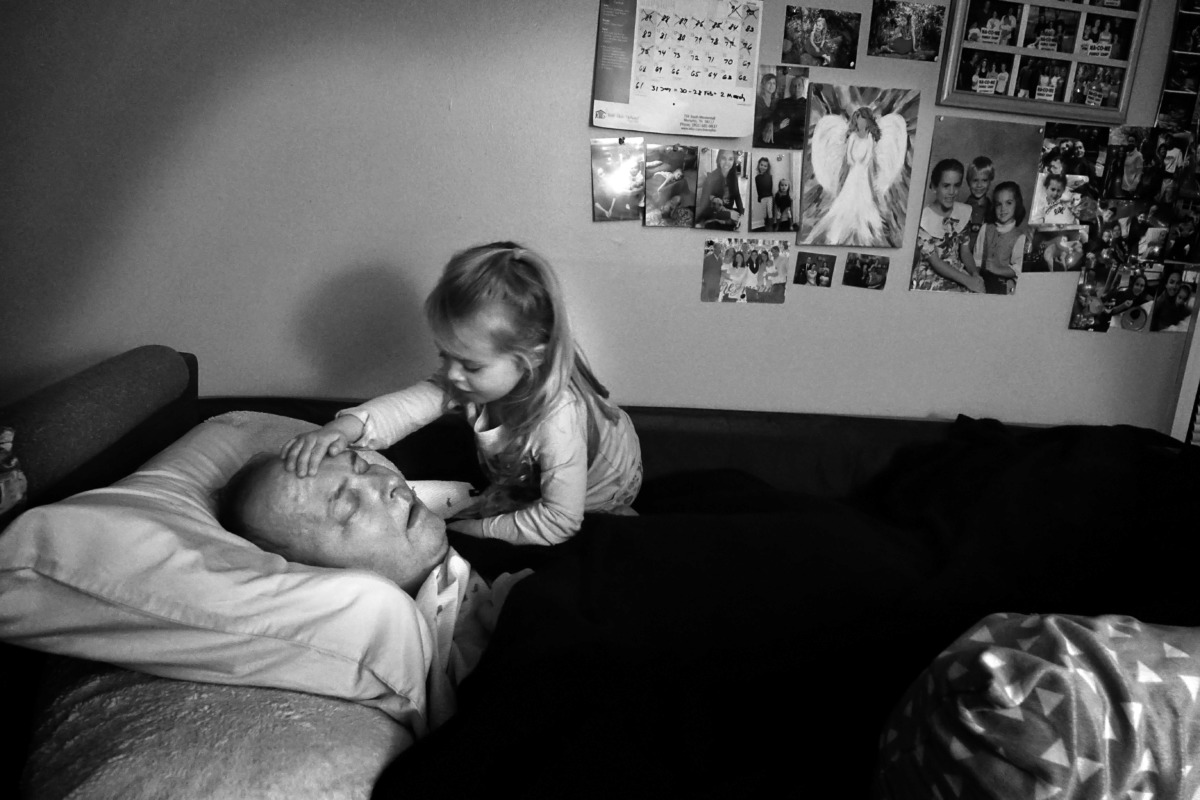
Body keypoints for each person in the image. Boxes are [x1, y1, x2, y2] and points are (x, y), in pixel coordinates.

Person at [282, 242, 643, 547]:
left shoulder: (557, 420)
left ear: (530, 360)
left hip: (603, 485)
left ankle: (616, 516)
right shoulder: (472, 380)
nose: (452, 375)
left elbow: (562, 520)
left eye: (470, 366)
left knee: (581, 536)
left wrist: (472, 531)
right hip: (532, 473)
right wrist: (341, 429)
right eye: (445, 356)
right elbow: (410, 407)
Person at [806, 105, 907, 246]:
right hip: (854, 172)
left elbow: (869, 156)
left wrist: (862, 165)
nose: (861, 122)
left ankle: (865, 230)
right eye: (858, 119)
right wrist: (855, 162)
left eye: (863, 119)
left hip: (864, 174)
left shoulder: (871, 138)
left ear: (868, 121)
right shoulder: (852, 136)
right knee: (846, 200)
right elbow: (849, 156)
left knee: (865, 201)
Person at [910, 158, 985, 293]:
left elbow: (965, 252)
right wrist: (968, 281)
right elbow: (936, 263)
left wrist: (975, 275)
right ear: (934, 186)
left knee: (979, 294)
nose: (952, 192)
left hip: (957, 270)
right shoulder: (923, 218)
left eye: (956, 185)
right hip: (931, 274)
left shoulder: (963, 212)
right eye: (946, 186)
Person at [973, 181, 1027, 295]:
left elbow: (1017, 269)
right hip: (983, 280)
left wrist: (997, 270)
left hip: (1003, 283)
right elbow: (977, 258)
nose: (1003, 209)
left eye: (1008, 203)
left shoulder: (1019, 237)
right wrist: (977, 276)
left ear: (1017, 204)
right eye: (999, 204)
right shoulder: (986, 228)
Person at [695, 149, 744, 230]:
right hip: (714, 216)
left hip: (729, 213)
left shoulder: (733, 176)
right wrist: (728, 214)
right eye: (723, 158)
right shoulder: (710, 178)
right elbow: (704, 209)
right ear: (718, 160)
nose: (727, 163)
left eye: (730, 159)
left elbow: (737, 196)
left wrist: (742, 215)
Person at [964, 156, 995, 252]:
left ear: (990, 182)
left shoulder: (993, 209)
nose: (979, 185)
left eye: (984, 180)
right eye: (975, 180)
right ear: (969, 182)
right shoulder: (962, 210)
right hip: (965, 257)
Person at [753, 73, 779, 148]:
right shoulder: (758, 100)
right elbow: (758, 122)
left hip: (773, 136)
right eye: (769, 83)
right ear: (763, 85)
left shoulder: (776, 101)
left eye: (774, 83)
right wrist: (770, 122)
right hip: (758, 137)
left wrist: (771, 123)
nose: (772, 85)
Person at [751, 157, 774, 232]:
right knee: (764, 213)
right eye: (762, 165)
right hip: (762, 198)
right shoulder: (757, 177)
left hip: (769, 197)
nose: (763, 167)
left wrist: (771, 196)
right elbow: (758, 188)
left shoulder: (770, 177)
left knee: (770, 211)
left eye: (765, 166)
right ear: (758, 165)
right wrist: (759, 197)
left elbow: (770, 187)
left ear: (767, 167)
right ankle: (766, 224)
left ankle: (770, 226)